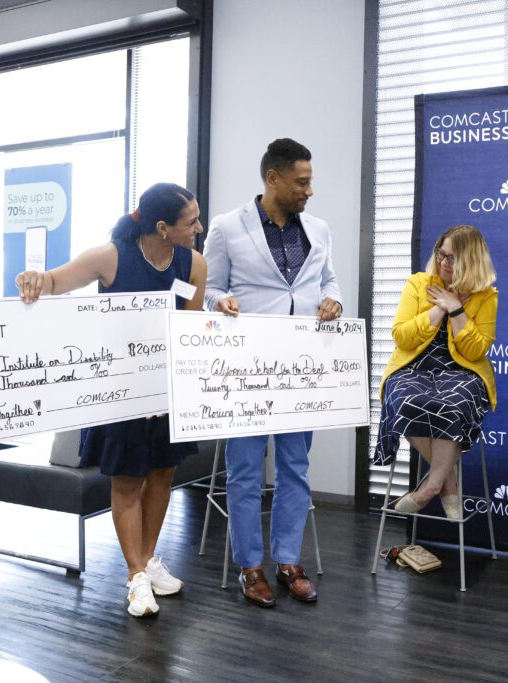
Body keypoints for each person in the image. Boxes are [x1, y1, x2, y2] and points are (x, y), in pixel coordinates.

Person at [16, 182, 206, 616]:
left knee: (162, 475)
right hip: (119, 388)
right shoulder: (112, 256)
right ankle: (134, 576)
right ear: (162, 227)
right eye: (190, 221)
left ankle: (148, 561)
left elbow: (191, 328)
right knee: (127, 481)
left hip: (166, 390)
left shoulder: (194, 264)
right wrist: (34, 279)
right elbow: (54, 283)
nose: (198, 227)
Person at [203, 138, 342, 608]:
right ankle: (250, 566)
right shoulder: (226, 228)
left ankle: (288, 560)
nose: (309, 190)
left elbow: (328, 279)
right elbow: (208, 289)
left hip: (301, 368)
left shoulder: (319, 229)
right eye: (301, 182)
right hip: (245, 371)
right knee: (243, 473)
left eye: (310, 181)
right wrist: (217, 301)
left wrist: (334, 299)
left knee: (295, 469)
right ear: (273, 179)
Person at [375, 224, 497, 520]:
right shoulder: (419, 284)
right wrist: (438, 309)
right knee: (403, 401)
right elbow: (402, 336)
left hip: (462, 371)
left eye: (452, 258)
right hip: (412, 368)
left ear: (470, 261)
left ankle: (427, 490)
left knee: (454, 404)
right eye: (440, 254)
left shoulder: (486, 296)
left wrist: (457, 310)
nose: (443, 263)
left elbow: (475, 351)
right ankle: (446, 484)